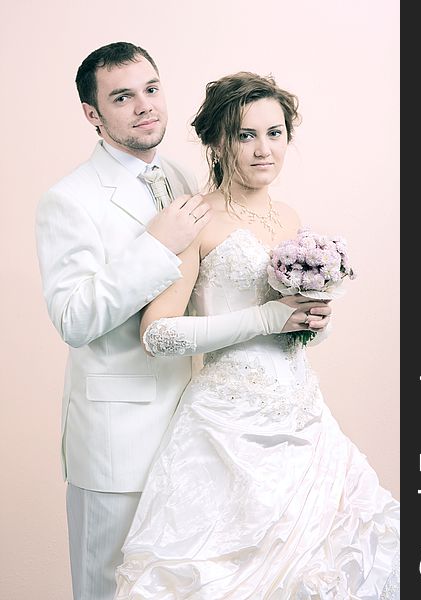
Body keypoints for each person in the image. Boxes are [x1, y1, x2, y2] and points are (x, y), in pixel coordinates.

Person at [35, 44, 331, 600]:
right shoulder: (68, 200)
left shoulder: (178, 176)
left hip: (201, 428)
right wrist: (155, 247)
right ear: (92, 114)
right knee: (110, 586)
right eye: (122, 97)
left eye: (151, 88)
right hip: (118, 437)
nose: (144, 106)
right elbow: (73, 319)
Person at [113, 72, 400, 599]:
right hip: (226, 421)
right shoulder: (193, 218)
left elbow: (287, 327)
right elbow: (157, 333)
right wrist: (266, 321)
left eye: (275, 132)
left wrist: (311, 325)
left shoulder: (288, 216)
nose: (264, 149)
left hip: (303, 414)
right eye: (246, 135)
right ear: (217, 144)